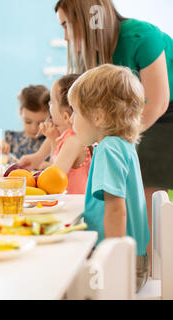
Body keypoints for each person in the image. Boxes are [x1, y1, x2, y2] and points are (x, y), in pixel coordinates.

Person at [54, 0, 173, 265]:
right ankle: (142, 262)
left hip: (164, 113)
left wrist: (114, 264)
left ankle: (137, 264)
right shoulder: (96, 52)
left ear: (84, 17)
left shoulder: (141, 36)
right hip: (125, 122)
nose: (63, 36)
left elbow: (159, 101)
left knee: (143, 189)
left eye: (65, 25)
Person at [69, 64, 150, 292]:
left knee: (61, 280)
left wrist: (110, 260)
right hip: (135, 261)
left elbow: (116, 209)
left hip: (122, 267)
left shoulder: (108, 149)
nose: (72, 119)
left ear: (98, 116)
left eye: (75, 111)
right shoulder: (123, 145)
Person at [19, 74, 91, 194]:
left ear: (66, 116)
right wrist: (38, 156)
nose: (48, 106)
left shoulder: (73, 141)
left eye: (52, 102)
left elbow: (51, 181)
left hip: (74, 209)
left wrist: (53, 141)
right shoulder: (69, 134)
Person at [0, 85, 50, 166]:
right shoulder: (12, 138)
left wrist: (41, 164)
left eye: (40, 123)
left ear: (50, 117)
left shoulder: (50, 140)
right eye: (28, 121)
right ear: (20, 113)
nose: (34, 128)